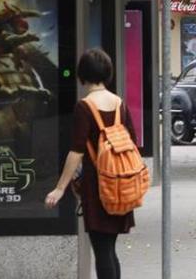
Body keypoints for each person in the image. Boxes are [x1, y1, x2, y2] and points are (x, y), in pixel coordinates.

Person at [45, 48, 136, 279]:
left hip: (98, 186)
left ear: (82, 74)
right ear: (108, 72)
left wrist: (60, 187)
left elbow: (76, 151)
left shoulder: (84, 107)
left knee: (102, 250)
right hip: (120, 184)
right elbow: (132, 142)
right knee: (110, 248)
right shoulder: (119, 104)